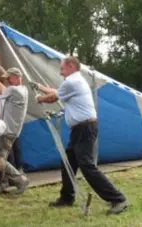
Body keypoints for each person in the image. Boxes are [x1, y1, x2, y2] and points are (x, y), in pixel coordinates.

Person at [36, 56, 128, 215]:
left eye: (62, 67)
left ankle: (118, 199)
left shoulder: (71, 82)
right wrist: (38, 86)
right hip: (81, 129)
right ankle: (67, 197)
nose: (60, 70)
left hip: (85, 128)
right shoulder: (74, 81)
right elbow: (56, 92)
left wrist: (39, 98)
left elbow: (53, 97)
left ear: (71, 66)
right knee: (68, 163)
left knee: (87, 166)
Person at [0, 57, 29, 193]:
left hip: (8, 130)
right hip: (12, 129)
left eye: (9, 78)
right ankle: (3, 183)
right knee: (3, 158)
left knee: (0, 159)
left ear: (17, 78)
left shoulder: (14, 90)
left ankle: (20, 180)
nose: (7, 80)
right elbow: (4, 86)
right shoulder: (22, 89)